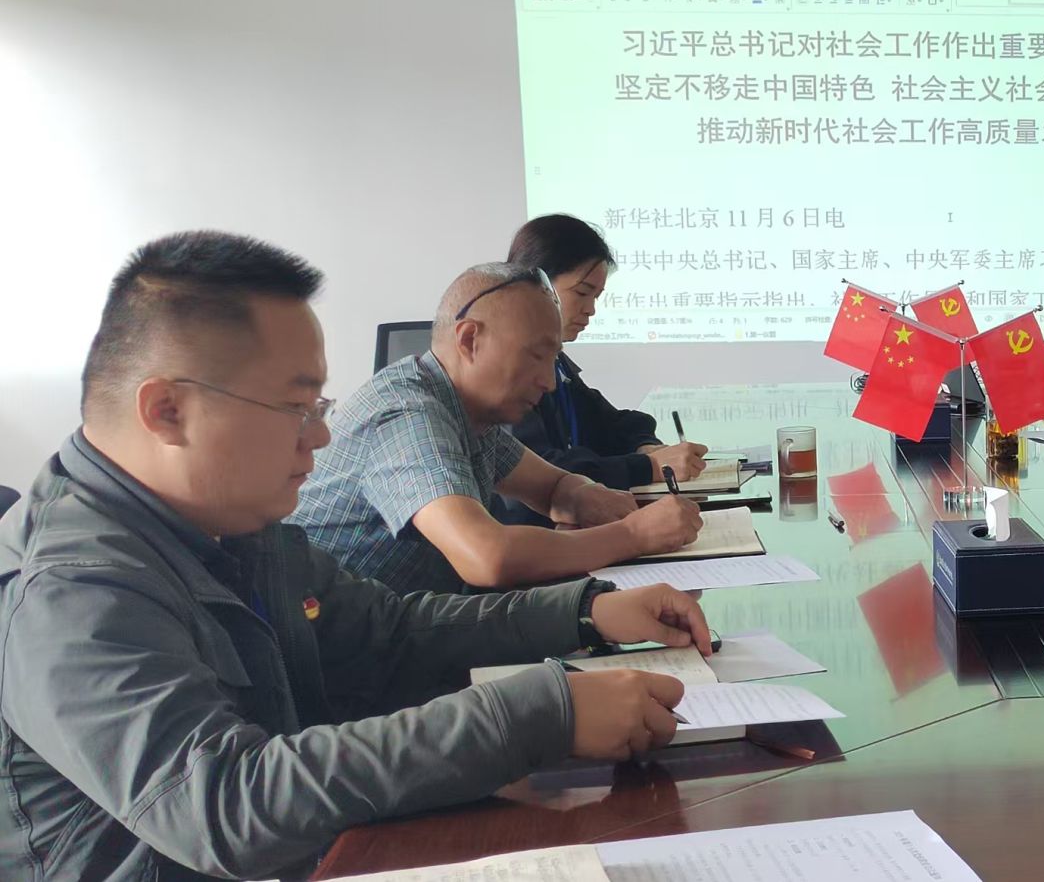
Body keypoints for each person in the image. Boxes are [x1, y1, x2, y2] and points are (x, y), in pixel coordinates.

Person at [0, 232, 716, 880]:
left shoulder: (234, 524)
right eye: (296, 407)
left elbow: (390, 629)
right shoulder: (70, 589)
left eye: (320, 405)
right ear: (167, 412)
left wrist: (586, 611)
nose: (320, 437)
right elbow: (225, 804)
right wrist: (537, 715)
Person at [289, 262, 702, 594]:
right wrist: (633, 534)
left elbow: (554, 487)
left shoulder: (468, 411)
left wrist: (584, 496)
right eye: (536, 356)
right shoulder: (409, 414)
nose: (549, 381)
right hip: (338, 654)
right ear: (470, 340)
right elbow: (487, 557)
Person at [501, 215, 707, 525]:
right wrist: (648, 467)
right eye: (582, 293)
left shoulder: (556, 361)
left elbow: (611, 422)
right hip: (537, 536)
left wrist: (645, 445)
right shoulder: (505, 369)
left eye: (596, 297)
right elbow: (542, 471)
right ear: (536, 284)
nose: (591, 310)